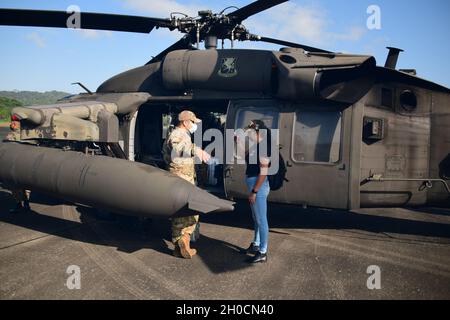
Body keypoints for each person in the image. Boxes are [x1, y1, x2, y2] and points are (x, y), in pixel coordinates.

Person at [162, 110, 211, 259]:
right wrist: (196, 150)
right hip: (181, 180)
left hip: (183, 178)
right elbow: (177, 149)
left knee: (181, 211)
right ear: (185, 122)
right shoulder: (177, 134)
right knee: (189, 211)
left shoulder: (184, 134)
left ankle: (180, 246)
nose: (195, 125)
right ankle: (184, 241)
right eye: (193, 122)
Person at [243, 120, 272, 264]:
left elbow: (264, 172)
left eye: (251, 132)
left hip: (258, 186)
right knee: (256, 218)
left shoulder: (264, 147)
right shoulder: (257, 146)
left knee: (261, 219)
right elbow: (245, 155)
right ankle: (256, 244)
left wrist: (254, 191)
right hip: (253, 183)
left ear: (258, 132)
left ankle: (263, 252)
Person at [4, 120, 32, 213]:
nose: (11, 124)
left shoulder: (24, 135)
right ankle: (20, 203)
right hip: (16, 164)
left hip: (20, 163)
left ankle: (25, 203)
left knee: (23, 185)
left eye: (13, 123)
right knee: (16, 186)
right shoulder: (10, 135)